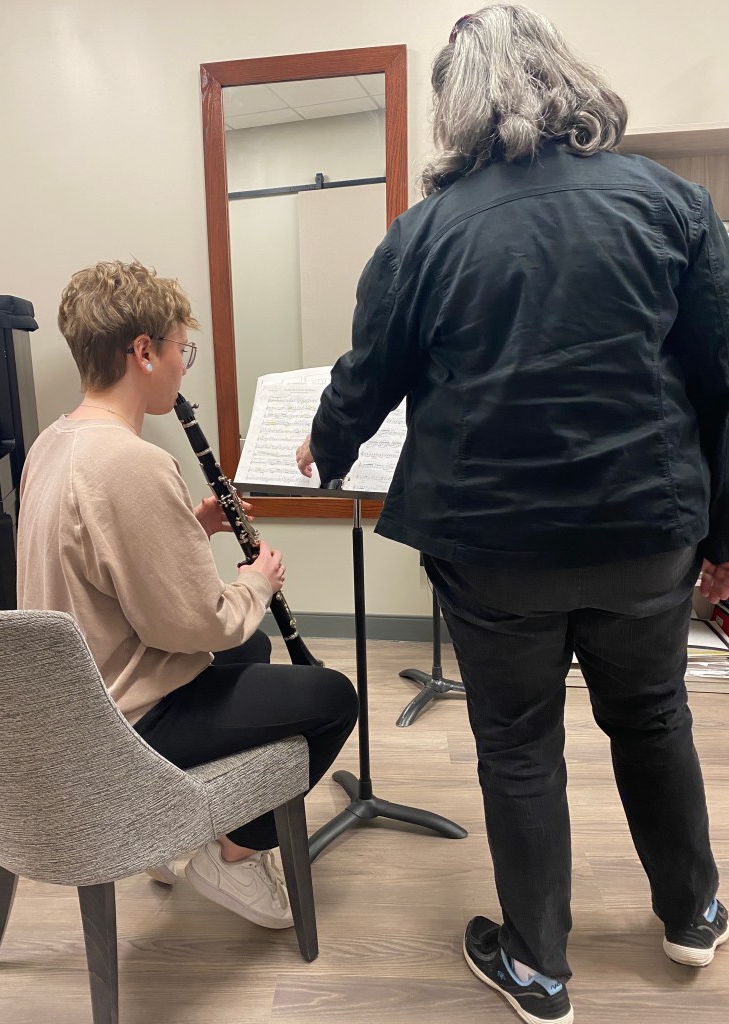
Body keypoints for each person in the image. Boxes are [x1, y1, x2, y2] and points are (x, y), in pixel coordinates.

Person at [296, 6, 729, 1022]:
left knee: (520, 745)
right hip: (646, 532)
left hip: (493, 549)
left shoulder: (425, 233)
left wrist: (329, 442)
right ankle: (696, 914)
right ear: (560, 75)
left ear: (455, 105)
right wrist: (721, 537)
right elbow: (721, 380)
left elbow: (370, 372)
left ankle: (538, 967)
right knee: (654, 715)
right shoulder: (672, 202)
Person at [17, 259, 358, 930]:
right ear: (144, 352)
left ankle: (187, 820)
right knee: (331, 699)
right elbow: (199, 624)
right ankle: (232, 853)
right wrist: (257, 582)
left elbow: (103, 569)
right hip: (122, 724)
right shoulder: (133, 462)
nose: (183, 365)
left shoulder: (53, 443)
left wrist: (188, 529)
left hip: (74, 701)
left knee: (252, 651)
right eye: (181, 349)